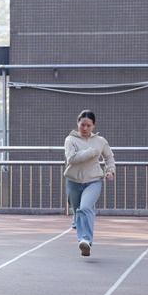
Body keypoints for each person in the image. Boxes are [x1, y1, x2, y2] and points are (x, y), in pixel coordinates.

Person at [64, 109, 115, 257]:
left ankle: (85, 241)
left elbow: (109, 157)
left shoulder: (100, 141)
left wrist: (110, 171)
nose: (85, 128)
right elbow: (71, 159)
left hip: (93, 181)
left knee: (85, 208)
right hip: (73, 181)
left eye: (88, 125)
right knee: (77, 211)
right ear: (77, 124)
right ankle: (76, 221)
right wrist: (91, 153)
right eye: (82, 125)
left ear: (94, 125)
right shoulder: (70, 140)